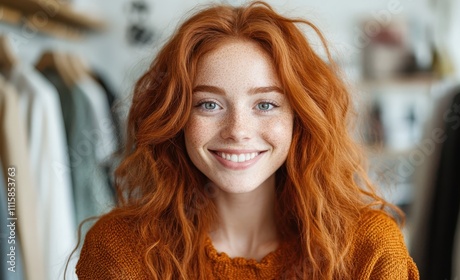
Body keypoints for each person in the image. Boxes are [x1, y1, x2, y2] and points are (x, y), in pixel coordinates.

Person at [75, 1, 419, 279]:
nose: (237, 130)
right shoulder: (121, 250)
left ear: (300, 119)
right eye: (209, 104)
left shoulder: (368, 249)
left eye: (265, 104)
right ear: (175, 118)